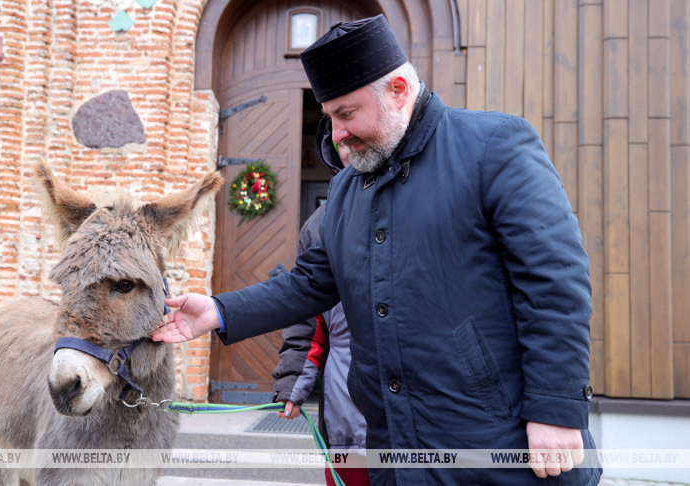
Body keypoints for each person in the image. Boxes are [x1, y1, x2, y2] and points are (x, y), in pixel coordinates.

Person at [152, 14, 601, 485]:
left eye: (346, 114)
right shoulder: (347, 189)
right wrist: (219, 311)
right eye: (330, 117)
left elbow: (555, 282)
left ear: (399, 90)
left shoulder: (493, 147)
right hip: (392, 447)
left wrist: (556, 409)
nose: (337, 134)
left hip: (496, 442)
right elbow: (309, 283)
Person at [273, 119, 369, 486]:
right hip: (346, 389)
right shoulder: (319, 224)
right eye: (340, 142)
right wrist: (294, 378)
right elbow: (306, 315)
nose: (349, 147)